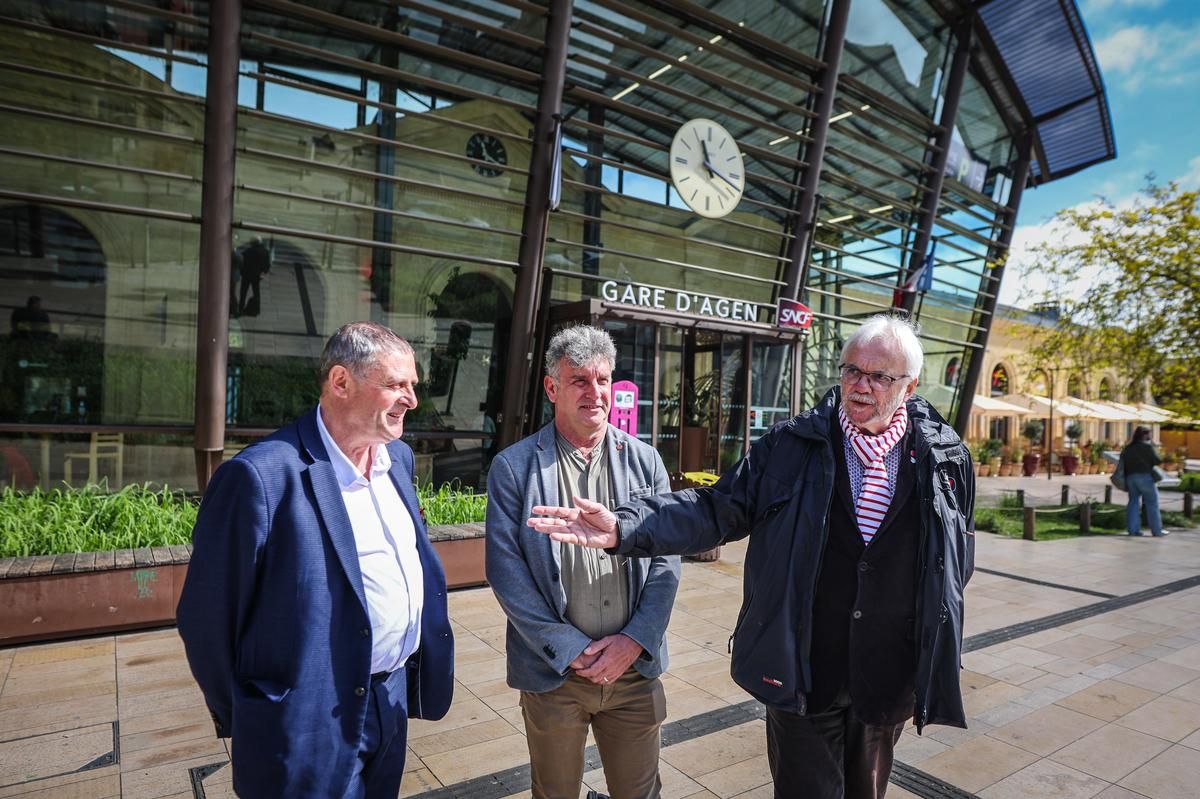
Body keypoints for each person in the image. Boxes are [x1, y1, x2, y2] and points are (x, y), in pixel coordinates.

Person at [529, 315, 975, 799]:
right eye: (851, 371)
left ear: (908, 386)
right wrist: (625, 526)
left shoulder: (943, 458)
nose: (860, 386)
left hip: (887, 674)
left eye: (878, 377)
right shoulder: (791, 446)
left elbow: (954, 555)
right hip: (803, 668)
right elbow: (715, 508)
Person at [177, 321, 454, 798]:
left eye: (413, 386)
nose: (411, 399)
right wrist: (256, 711)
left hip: (390, 701)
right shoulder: (259, 477)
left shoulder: (398, 460)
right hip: (304, 718)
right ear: (341, 382)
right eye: (395, 385)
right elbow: (207, 619)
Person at [487, 325, 680, 799]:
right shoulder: (514, 468)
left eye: (603, 380)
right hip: (555, 677)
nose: (595, 393)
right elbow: (506, 573)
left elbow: (666, 560)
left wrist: (634, 641)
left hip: (634, 674)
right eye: (579, 381)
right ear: (552, 387)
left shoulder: (646, 461)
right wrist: (570, 648)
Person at [1121, 425, 1166, 537]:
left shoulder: (1128, 448)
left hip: (1130, 478)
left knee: (1133, 503)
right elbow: (1158, 460)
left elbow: (1123, 461)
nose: (1150, 435)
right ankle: (1157, 531)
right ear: (1145, 434)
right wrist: (1154, 447)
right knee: (1152, 503)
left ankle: (1133, 530)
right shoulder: (1147, 447)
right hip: (1145, 477)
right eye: (1149, 433)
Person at [238, 236, 271, 316]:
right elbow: (267, 264)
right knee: (256, 293)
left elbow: (242, 262)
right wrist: (263, 273)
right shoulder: (265, 251)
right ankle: (256, 310)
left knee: (243, 292)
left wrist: (241, 272)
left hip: (247, 275)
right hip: (257, 276)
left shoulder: (248, 251)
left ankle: (240, 309)